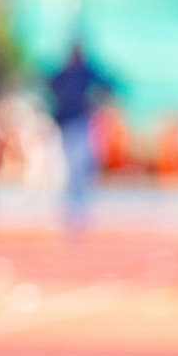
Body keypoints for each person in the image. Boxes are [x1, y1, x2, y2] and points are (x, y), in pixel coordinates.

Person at [48, 43, 112, 229]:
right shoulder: (65, 73)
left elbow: (110, 84)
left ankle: (78, 209)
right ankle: (72, 209)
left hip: (81, 124)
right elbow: (49, 84)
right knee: (71, 168)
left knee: (80, 166)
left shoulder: (86, 72)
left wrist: (95, 103)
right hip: (67, 125)